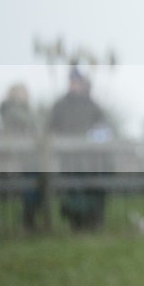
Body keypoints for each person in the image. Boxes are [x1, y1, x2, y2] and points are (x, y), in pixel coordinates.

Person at [49, 67, 111, 230]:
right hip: (68, 159)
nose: (75, 85)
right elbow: (51, 129)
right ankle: (75, 223)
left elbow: (104, 127)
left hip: (91, 159)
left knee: (93, 188)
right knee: (72, 191)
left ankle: (94, 221)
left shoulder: (93, 105)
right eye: (72, 82)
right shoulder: (60, 106)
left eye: (77, 82)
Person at [0, 83, 41, 231]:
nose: (24, 95)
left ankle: (29, 220)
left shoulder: (26, 111)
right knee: (31, 184)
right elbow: (29, 124)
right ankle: (28, 221)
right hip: (13, 159)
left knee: (35, 182)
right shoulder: (10, 111)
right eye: (21, 93)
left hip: (27, 158)